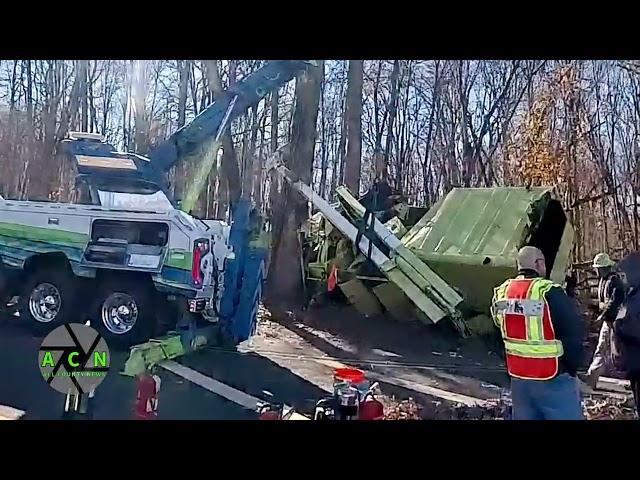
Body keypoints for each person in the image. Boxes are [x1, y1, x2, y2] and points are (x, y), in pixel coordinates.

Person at [491, 246, 585, 420]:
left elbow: (498, 329)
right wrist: (572, 367)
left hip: (519, 379)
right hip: (553, 377)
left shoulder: (502, 292)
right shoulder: (549, 291)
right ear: (538, 263)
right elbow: (572, 332)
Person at [581, 252, 626, 389]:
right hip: (611, 321)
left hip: (616, 322)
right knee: (604, 349)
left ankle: (592, 377)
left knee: (609, 349)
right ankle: (592, 377)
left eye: (598, 268)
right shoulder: (605, 281)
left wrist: (602, 317)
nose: (596, 270)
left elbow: (614, 303)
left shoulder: (615, 282)